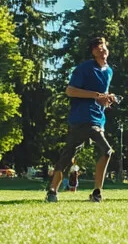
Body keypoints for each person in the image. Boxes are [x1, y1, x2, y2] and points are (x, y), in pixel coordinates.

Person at [46, 37, 116, 204]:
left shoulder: (109, 71)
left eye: (104, 47)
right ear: (93, 51)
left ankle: (97, 192)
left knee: (107, 152)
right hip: (80, 119)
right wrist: (95, 95)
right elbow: (70, 91)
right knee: (67, 158)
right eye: (98, 48)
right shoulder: (84, 68)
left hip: (98, 119)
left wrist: (107, 99)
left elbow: (101, 95)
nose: (103, 50)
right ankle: (52, 191)